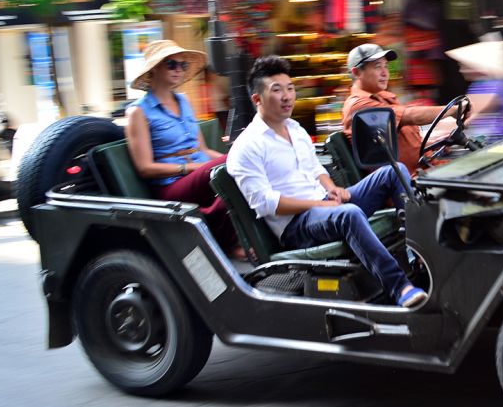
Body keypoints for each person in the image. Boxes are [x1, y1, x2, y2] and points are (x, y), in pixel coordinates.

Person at [227, 55, 426, 308]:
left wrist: (333, 189)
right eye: (277, 90)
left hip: (323, 206)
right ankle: (400, 287)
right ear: (257, 99)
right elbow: (265, 203)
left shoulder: (296, 130)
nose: (287, 96)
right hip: (296, 226)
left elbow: (315, 168)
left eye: (290, 88)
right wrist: (320, 205)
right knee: (350, 214)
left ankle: (417, 253)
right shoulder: (247, 146)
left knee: (393, 171)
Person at [124, 40, 240, 256]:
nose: (178, 70)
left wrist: (231, 158)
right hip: (171, 185)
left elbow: (203, 149)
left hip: (197, 173)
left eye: (183, 66)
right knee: (230, 166)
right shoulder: (138, 112)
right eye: (171, 64)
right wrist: (190, 169)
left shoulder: (184, 101)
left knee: (243, 162)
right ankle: (227, 243)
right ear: (155, 68)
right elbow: (145, 167)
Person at [341, 43, 457, 175]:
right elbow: (410, 116)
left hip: (426, 168)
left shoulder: (383, 97)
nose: (385, 73)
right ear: (357, 73)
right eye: (377, 67)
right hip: (409, 181)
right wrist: (451, 110)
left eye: (386, 66)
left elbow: (401, 140)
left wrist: (435, 143)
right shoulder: (359, 105)